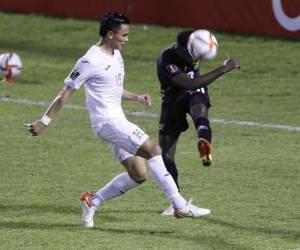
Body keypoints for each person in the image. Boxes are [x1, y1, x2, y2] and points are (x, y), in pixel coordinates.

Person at [25, 12, 211, 228]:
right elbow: (65, 93)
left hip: (117, 120)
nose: (126, 39)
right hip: (108, 123)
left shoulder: (115, 54)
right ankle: (179, 204)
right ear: (110, 34)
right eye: (123, 35)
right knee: (154, 150)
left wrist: (136, 97)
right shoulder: (90, 60)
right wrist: (43, 122)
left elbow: (111, 88)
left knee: (139, 174)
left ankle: (92, 201)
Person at [156, 29, 240, 216]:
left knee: (200, 110)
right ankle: (177, 203)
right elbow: (188, 84)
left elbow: (194, 83)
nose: (193, 58)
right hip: (174, 97)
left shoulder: (196, 45)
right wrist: (223, 68)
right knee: (166, 155)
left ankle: (204, 142)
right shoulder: (166, 61)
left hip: (194, 91)